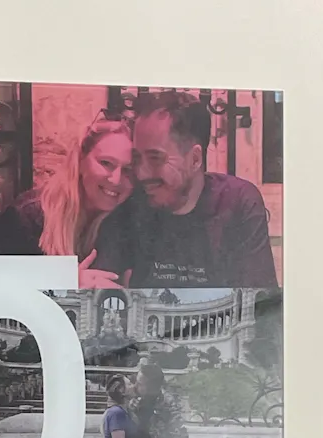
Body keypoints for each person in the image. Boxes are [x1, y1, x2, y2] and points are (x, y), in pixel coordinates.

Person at [92, 91, 277, 289]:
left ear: (195, 159)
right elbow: (100, 289)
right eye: (137, 158)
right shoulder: (132, 206)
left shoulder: (237, 203)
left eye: (155, 158)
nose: (141, 173)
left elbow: (260, 301)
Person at [0, 115, 134, 287]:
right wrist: (66, 285)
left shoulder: (125, 224)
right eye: (106, 163)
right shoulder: (27, 217)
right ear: (80, 160)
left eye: (128, 170)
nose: (116, 179)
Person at [130, 360, 188, 438]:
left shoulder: (169, 403)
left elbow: (182, 437)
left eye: (140, 383)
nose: (135, 386)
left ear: (152, 387)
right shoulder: (134, 400)